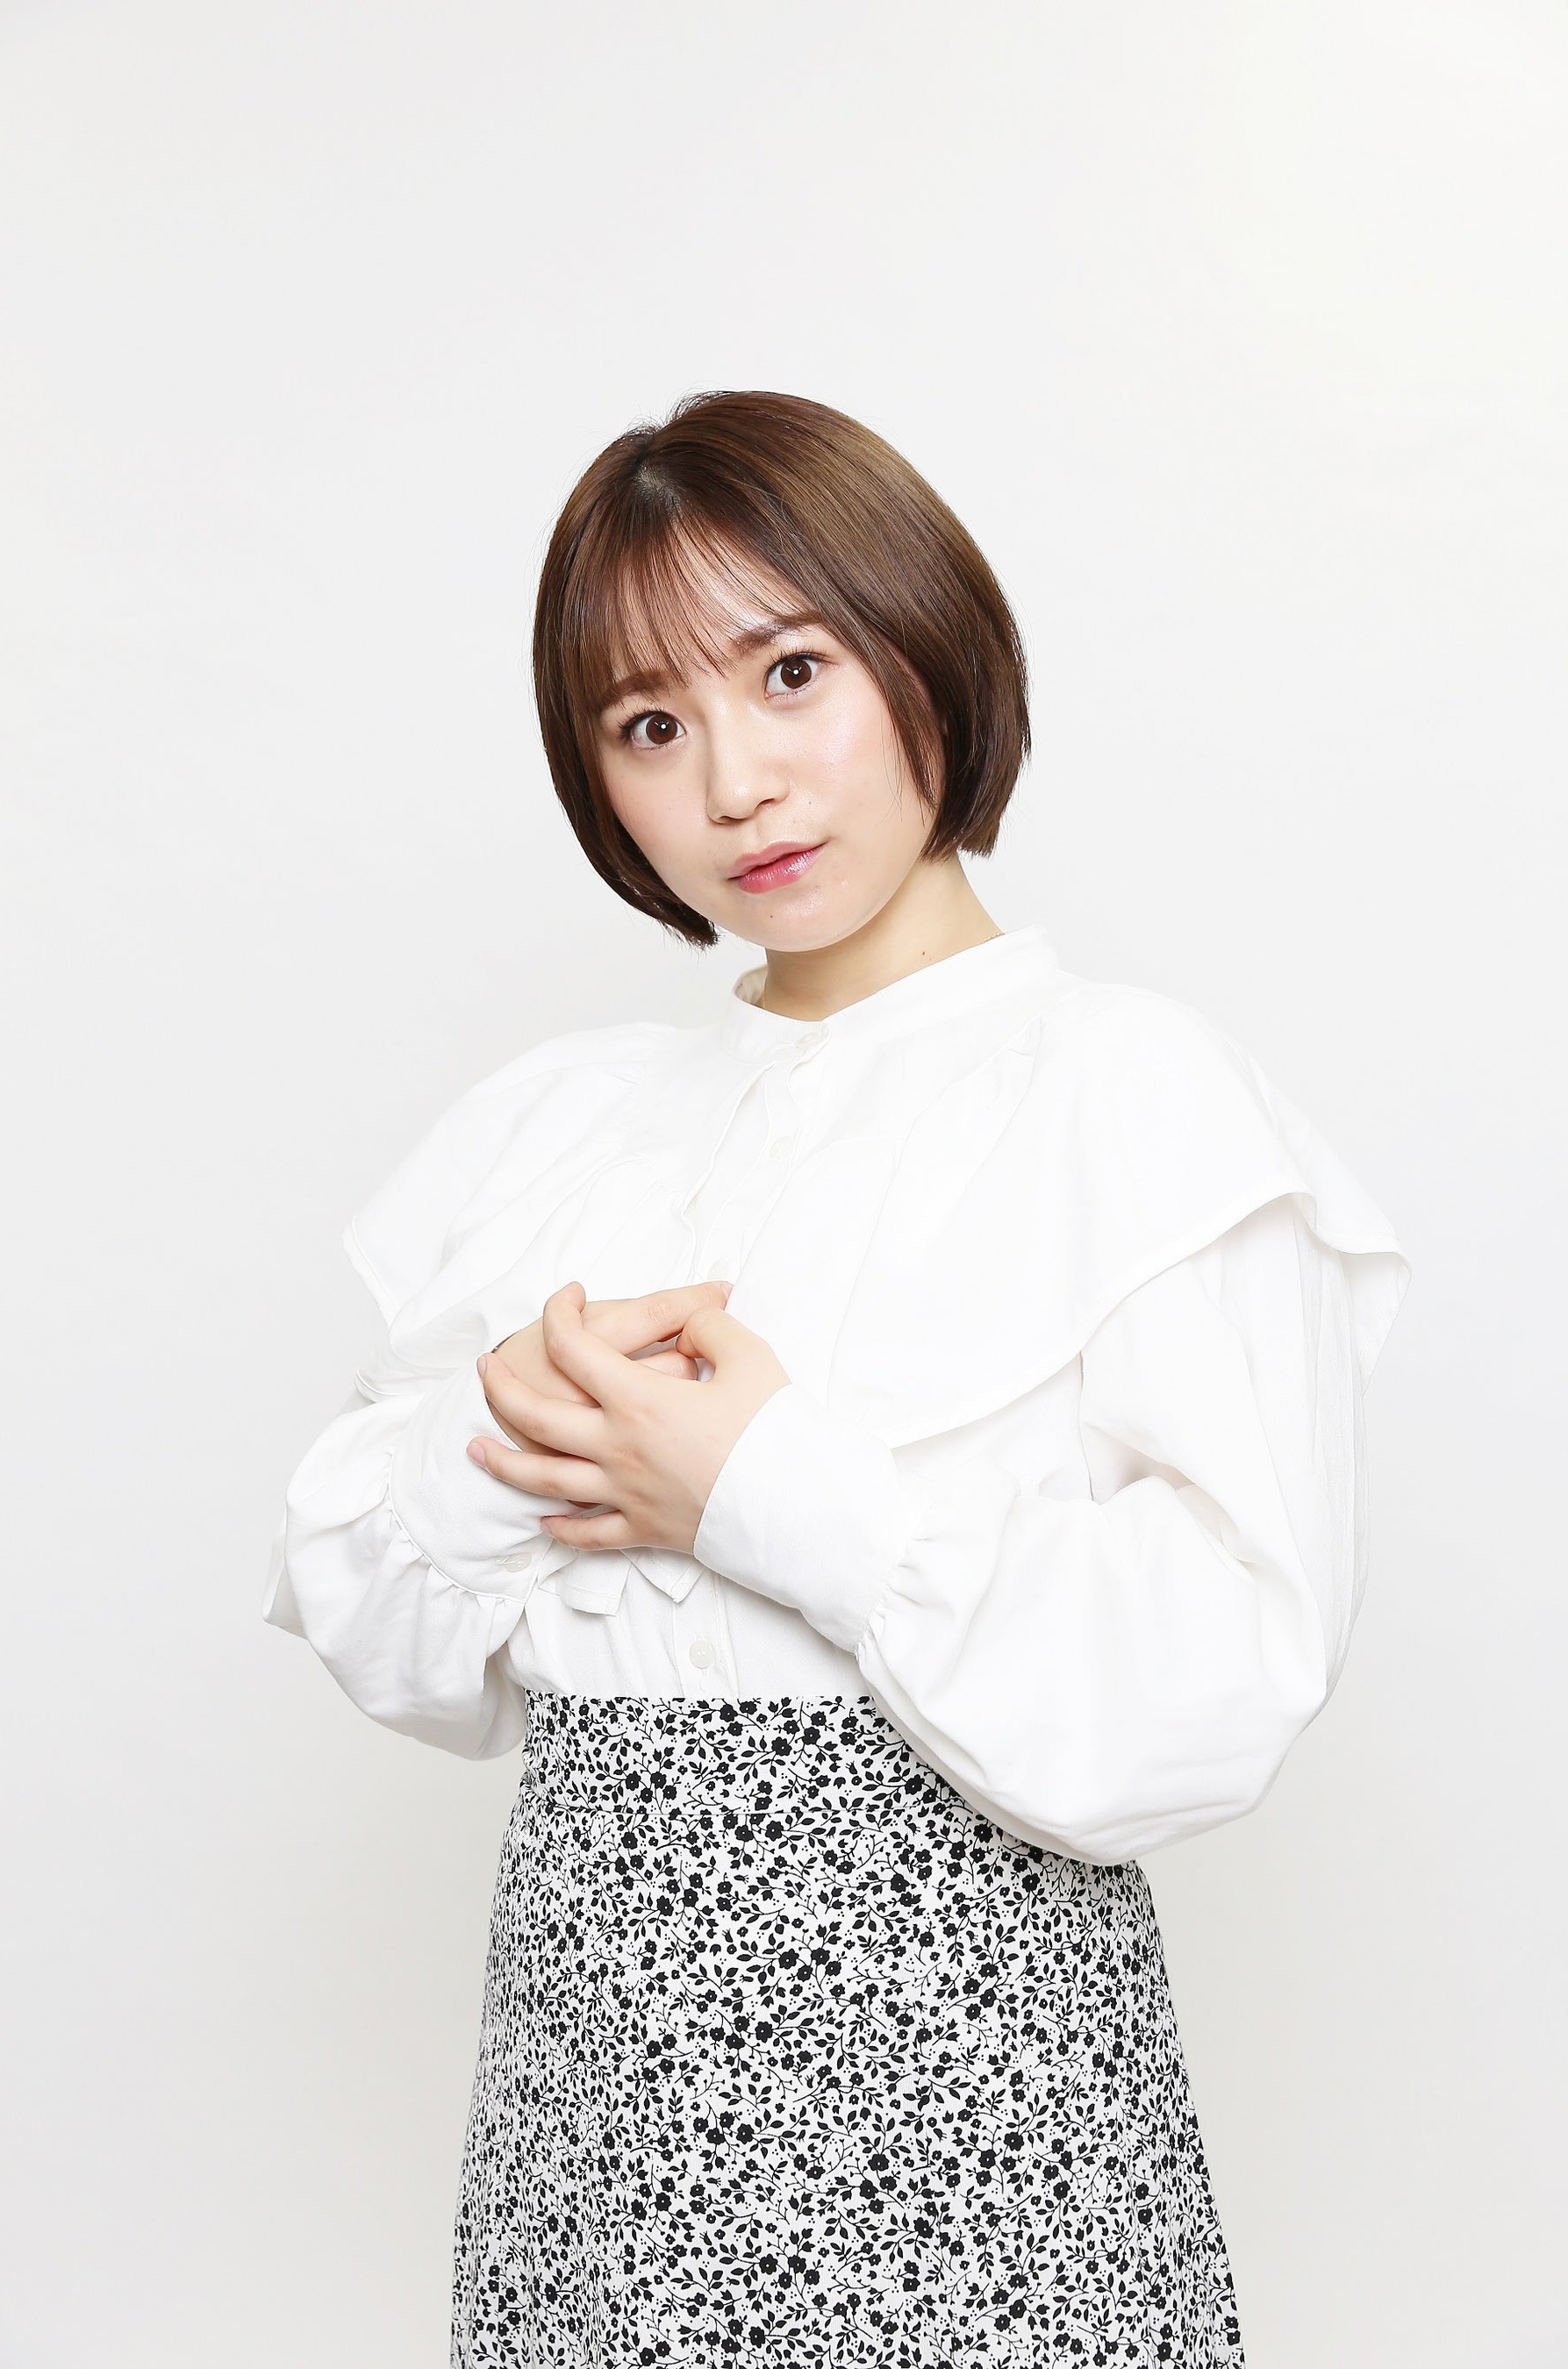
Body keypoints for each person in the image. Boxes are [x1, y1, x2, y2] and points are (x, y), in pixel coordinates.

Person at [264, 390, 1410, 2367]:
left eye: (791, 671)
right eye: (650, 725)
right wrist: (509, 1440)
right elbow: (383, 1628)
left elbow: (1227, 1678)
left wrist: (767, 1491)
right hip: (592, 2129)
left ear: (923, 643)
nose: (736, 782)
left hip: (981, 2130)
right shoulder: (570, 1128)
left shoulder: (1130, 1097)